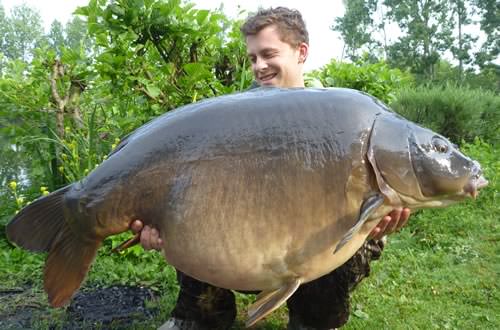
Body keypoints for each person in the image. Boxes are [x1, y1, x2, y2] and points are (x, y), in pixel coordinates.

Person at [131, 7, 411, 330]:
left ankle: (314, 320)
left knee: (346, 232)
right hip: (244, 244)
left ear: (300, 52)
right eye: (252, 58)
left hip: (316, 244)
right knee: (196, 211)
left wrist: (379, 220)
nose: (259, 66)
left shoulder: (338, 115)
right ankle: (200, 315)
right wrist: (160, 224)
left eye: (268, 54)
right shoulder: (237, 115)